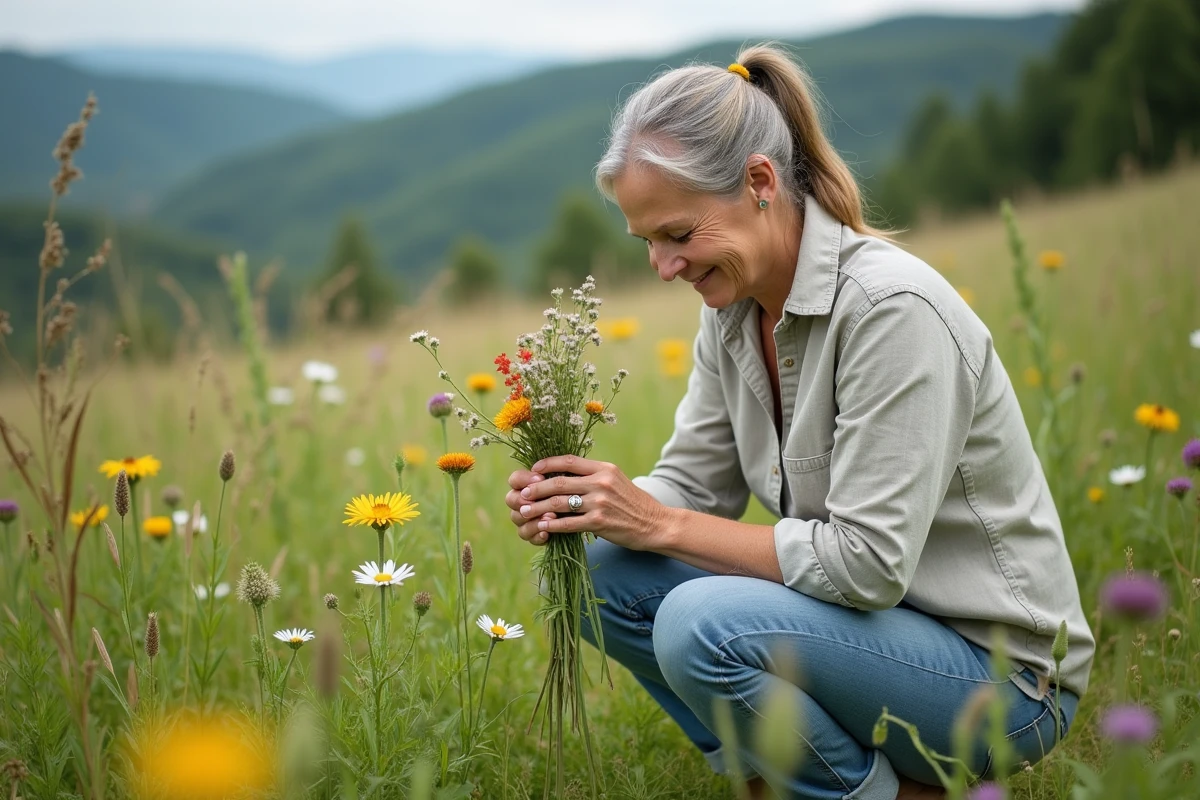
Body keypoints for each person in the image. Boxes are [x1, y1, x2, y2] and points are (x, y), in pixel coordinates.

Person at [504, 44, 1094, 800]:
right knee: (594, 572)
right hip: (867, 639)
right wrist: (590, 508)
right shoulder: (732, 312)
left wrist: (655, 522)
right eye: (646, 241)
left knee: (698, 623)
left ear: (759, 182)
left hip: (1000, 680)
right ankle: (788, 775)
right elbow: (693, 485)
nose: (663, 266)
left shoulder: (890, 311)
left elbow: (868, 563)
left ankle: (852, 791)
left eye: (679, 235)